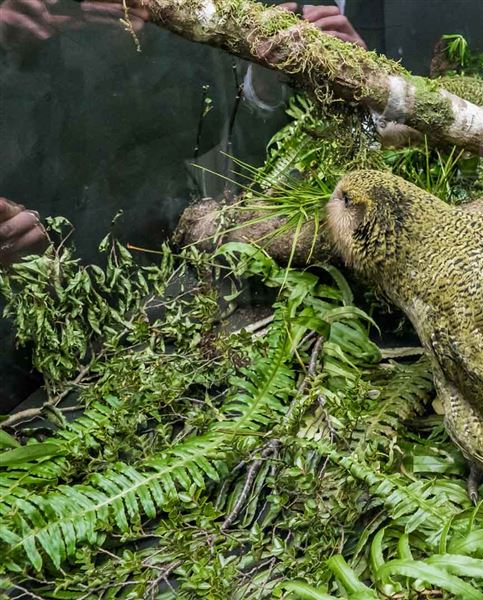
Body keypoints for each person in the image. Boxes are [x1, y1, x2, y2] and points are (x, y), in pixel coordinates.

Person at [0, 0, 364, 412]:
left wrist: (273, 84)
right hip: (21, 323)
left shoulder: (185, 39)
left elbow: (234, 155)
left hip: (158, 283)